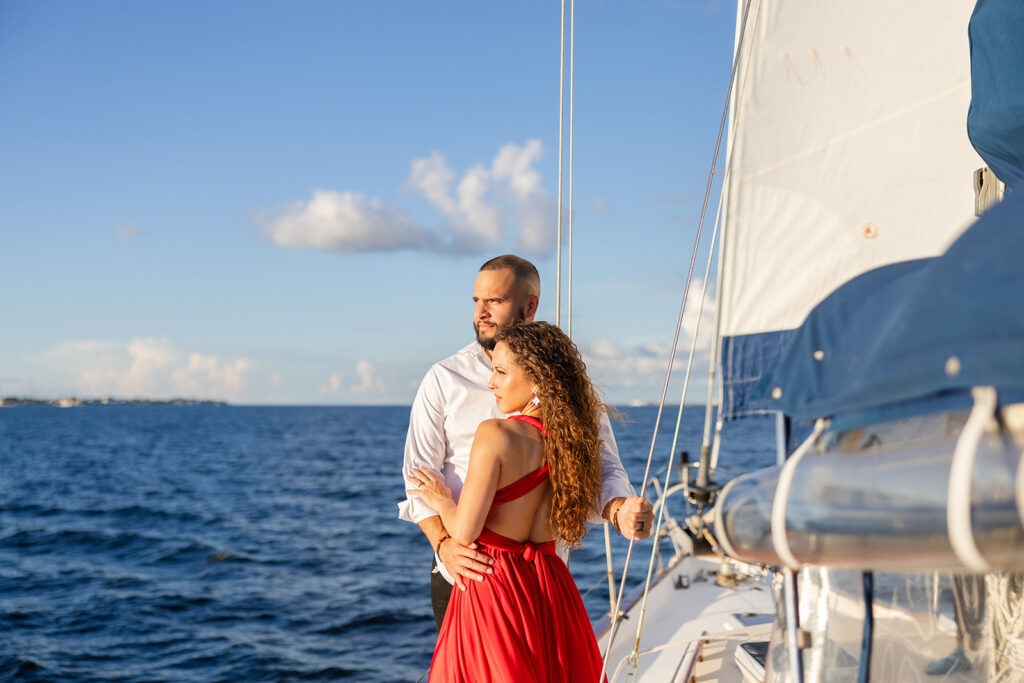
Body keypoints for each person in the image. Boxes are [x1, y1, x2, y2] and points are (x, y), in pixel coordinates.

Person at [398, 254, 653, 630]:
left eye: (495, 301)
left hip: (542, 575)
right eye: (476, 301)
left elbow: (602, 466)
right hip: (463, 575)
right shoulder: (444, 377)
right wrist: (443, 545)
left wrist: (619, 510)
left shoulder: (565, 384)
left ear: (530, 305)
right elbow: (418, 476)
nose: (481, 312)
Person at [407, 321, 612, 681]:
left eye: (501, 372)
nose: (491, 383)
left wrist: (440, 499)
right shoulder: (573, 442)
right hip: (550, 584)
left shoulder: (496, 433)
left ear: (538, 381)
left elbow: (464, 531)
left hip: (494, 583)